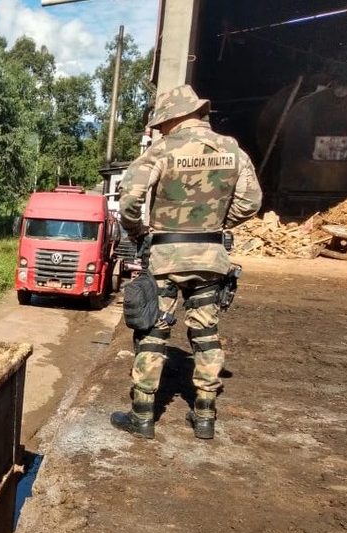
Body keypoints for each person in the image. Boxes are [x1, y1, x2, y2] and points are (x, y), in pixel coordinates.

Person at [111, 84, 262, 440]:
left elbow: (129, 199)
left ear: (173, 117)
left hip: (165, 254)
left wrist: (139, 231)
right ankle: (205, 416)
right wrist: (217, 224)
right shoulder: (232, 150)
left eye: (162, 124)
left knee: (152, 331)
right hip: (211, 257)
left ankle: (143, 416)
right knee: (206, 333)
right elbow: (251, 202)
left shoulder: (161, 151)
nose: (160, 130)